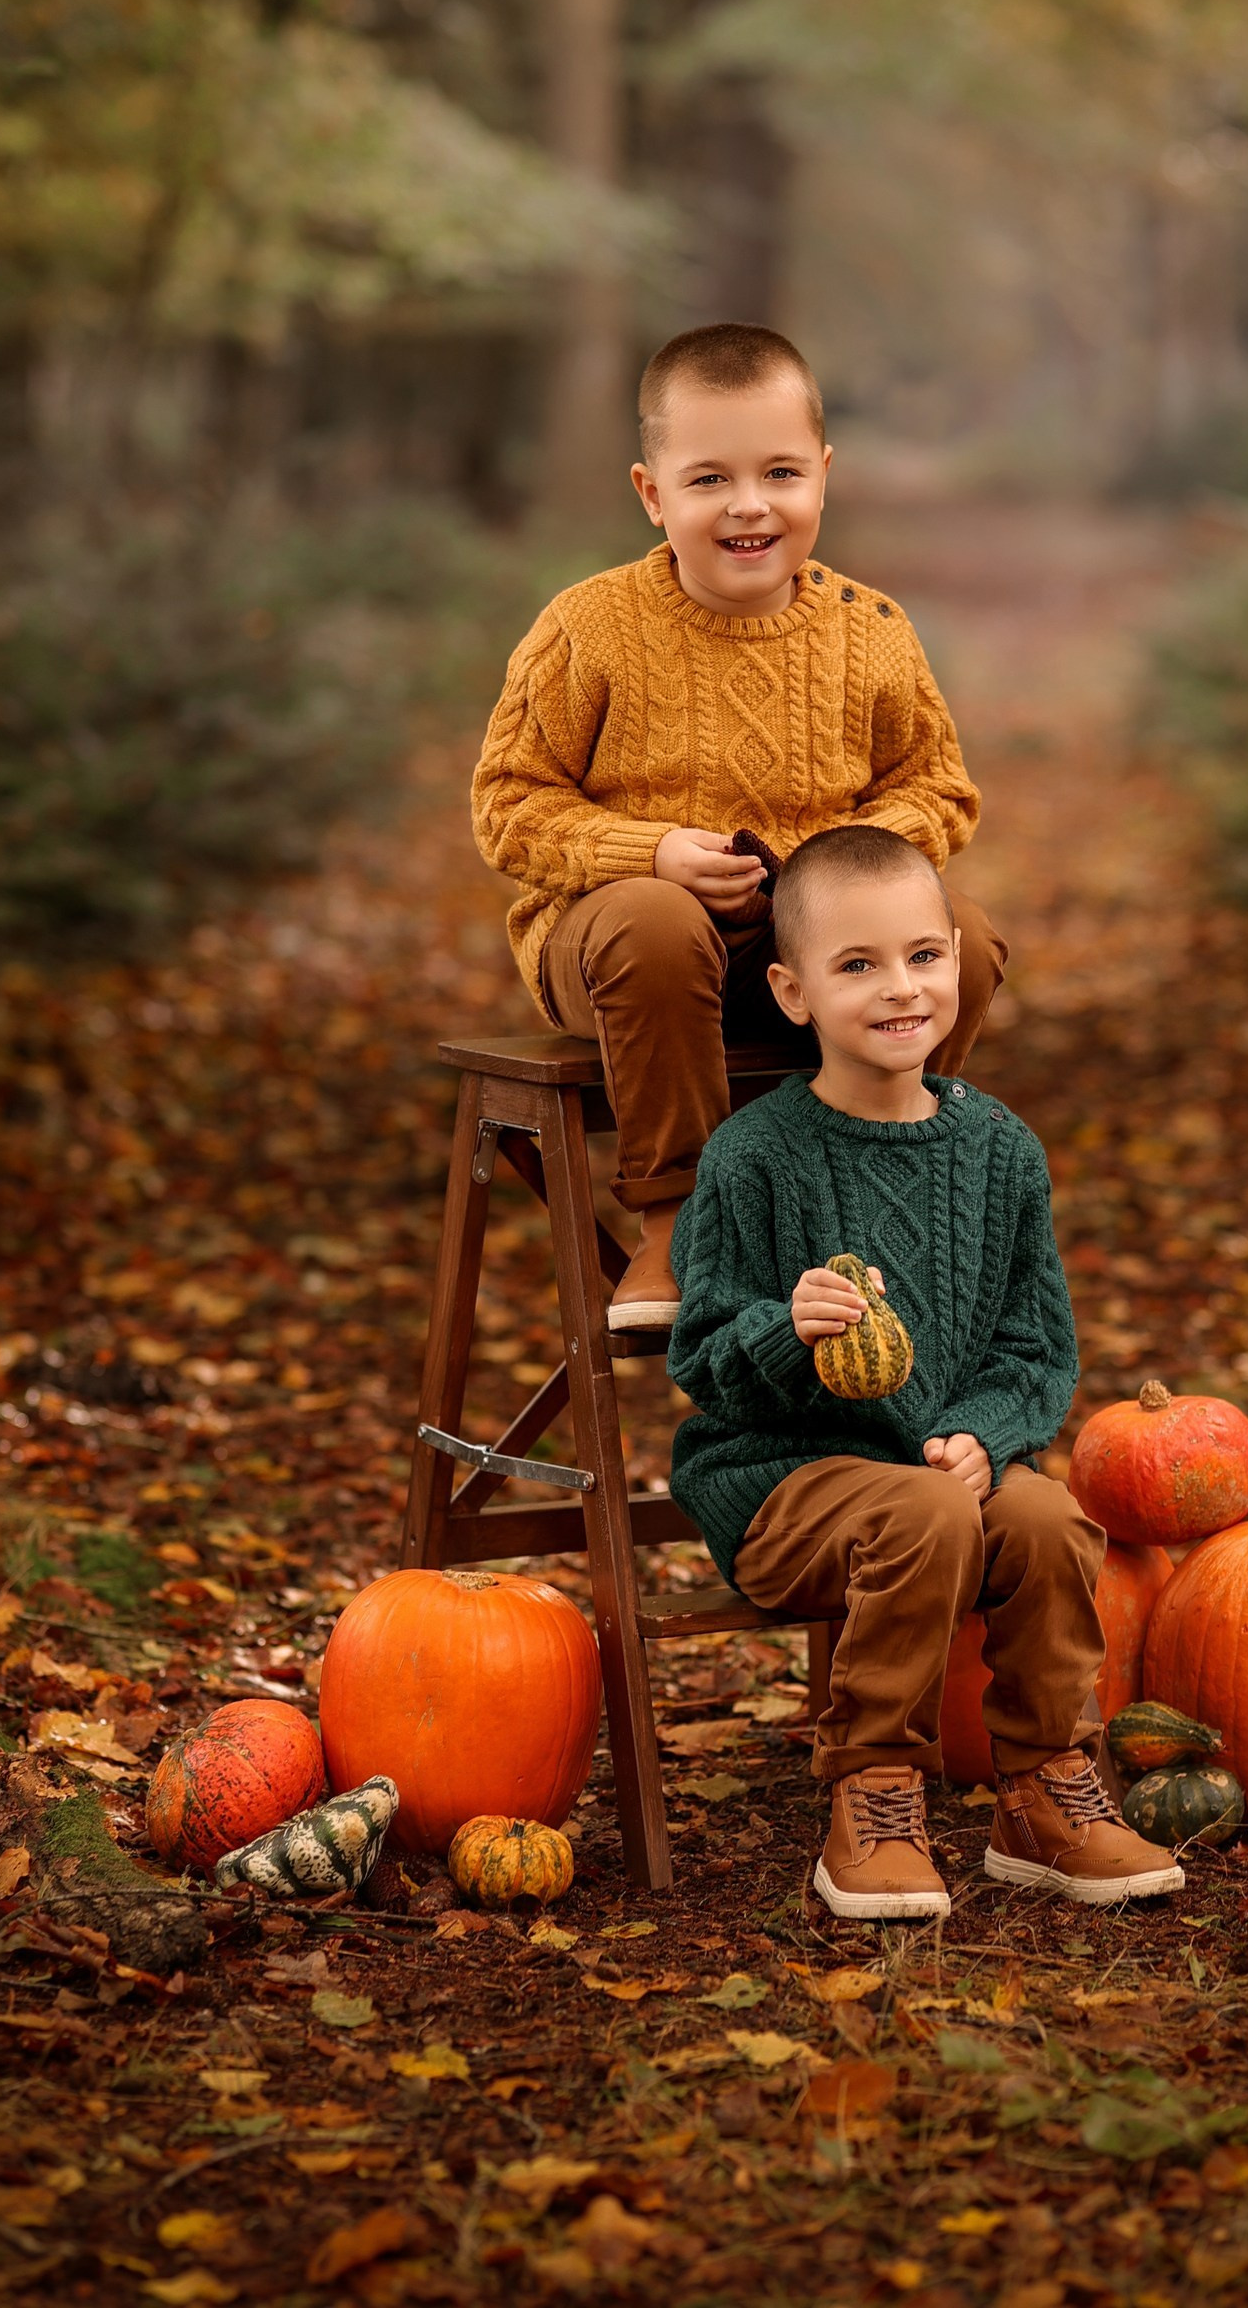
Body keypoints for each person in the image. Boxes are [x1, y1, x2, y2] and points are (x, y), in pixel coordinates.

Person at [666, 826, 1183, 1918]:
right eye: (857, 966)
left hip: (943, 1479)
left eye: (922, 956)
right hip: (780, 1482)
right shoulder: (754, 1156)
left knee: (1045, 1519)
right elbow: (701, 1360)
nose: (899, 988)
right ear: (792, 991)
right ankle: (871, 1791)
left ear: (955, 956)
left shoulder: (1001, 1151)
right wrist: (780, 1327)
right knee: (920, 1515)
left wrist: (983, 1437)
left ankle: (1043, 1792)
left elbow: (1034, 1349)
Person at [470, 322, 1005, 1330]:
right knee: (656, 923)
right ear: (651, 492)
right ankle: (680, 1226)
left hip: (813, 954)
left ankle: (880, 1184)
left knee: (962, 941)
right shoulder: (588, 629)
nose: (749, 504)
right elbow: (508, 804)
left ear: (824, 476)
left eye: (780, 472)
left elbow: (938, 790)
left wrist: (838, 875)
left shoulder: (872, 630)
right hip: (624, 952)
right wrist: (654, 851)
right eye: (709, 478)